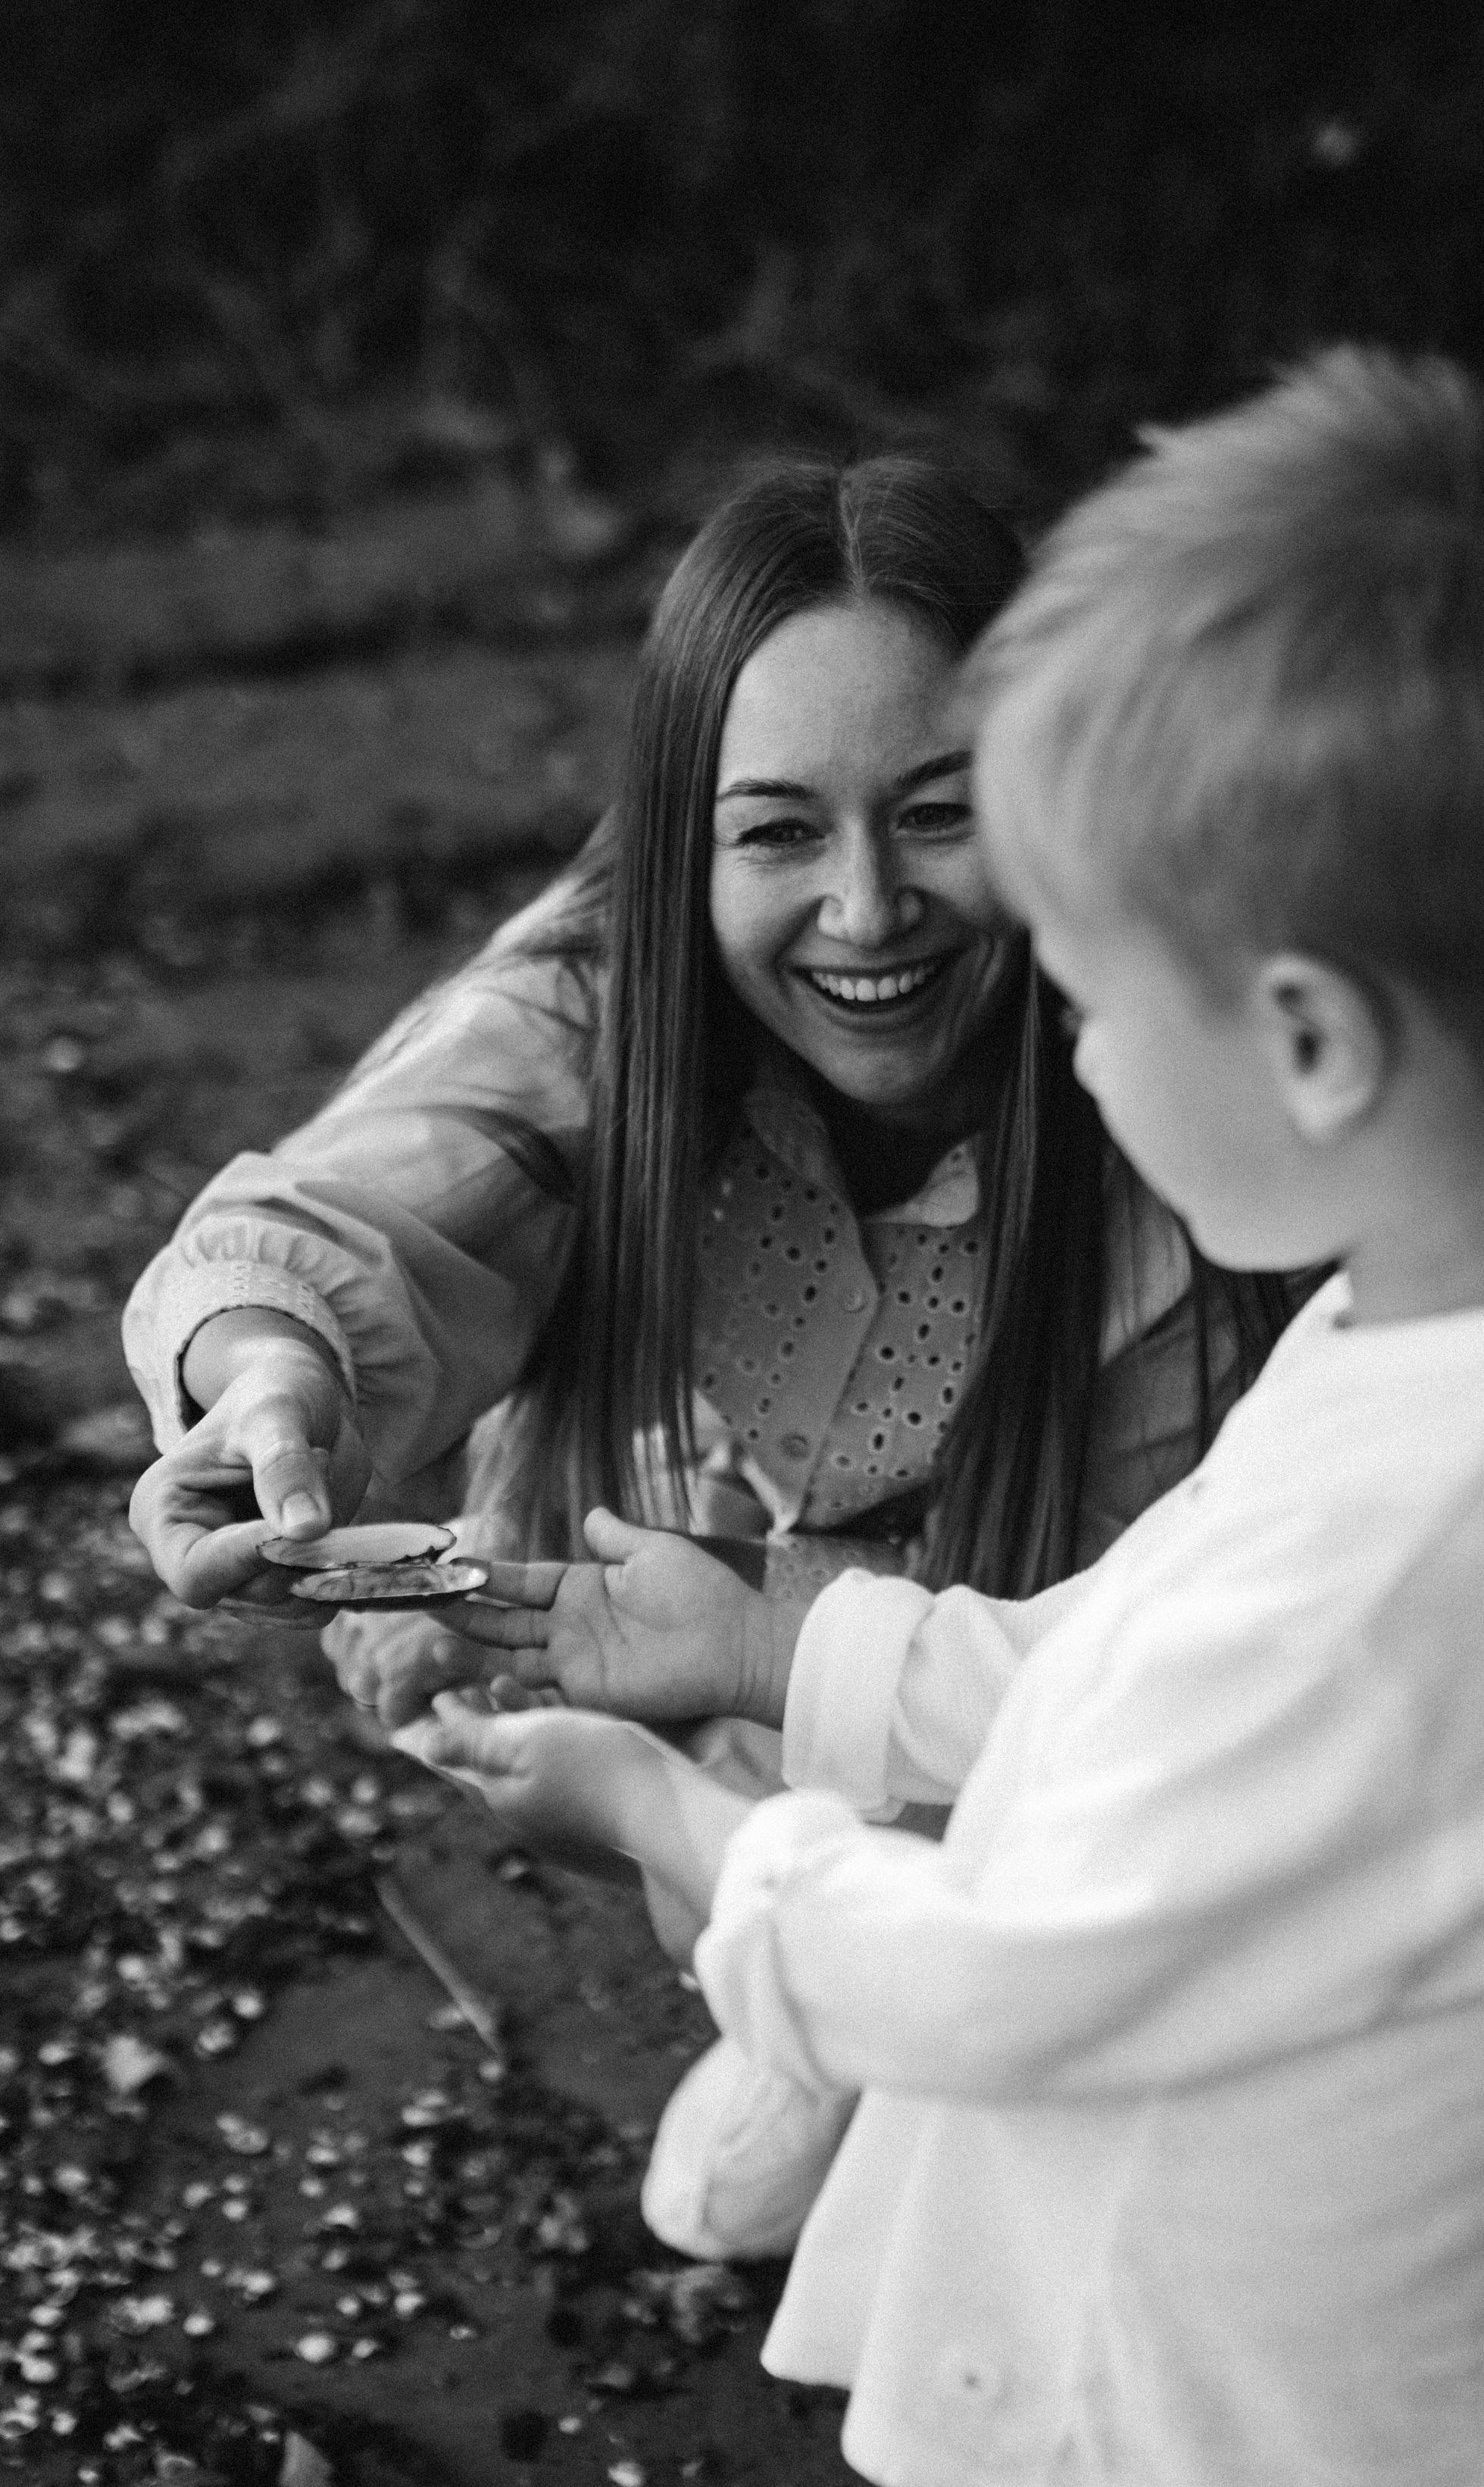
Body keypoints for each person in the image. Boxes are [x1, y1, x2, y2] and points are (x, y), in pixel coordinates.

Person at [401, 345, 1484, 2486]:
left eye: (1100, 998)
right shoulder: (1471, 1359)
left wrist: (666, 1820)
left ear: (1306, 1038)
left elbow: (996, 1980)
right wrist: (768, 1639)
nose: (1077, 1067)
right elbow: (1113, 1651)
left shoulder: (1409, 1569)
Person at [120, 455, 1304, 2260]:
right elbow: (362, 1194)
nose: (862, 909)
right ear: (685, 837)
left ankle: (1052, 2033)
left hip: (1094, 1659)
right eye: (775, 831)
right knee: (593, 1605)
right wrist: (269, 1373)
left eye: (934, 812)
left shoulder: (1173, 1033)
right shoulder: (603, 986)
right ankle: (803, 1982)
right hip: (750, 1600)